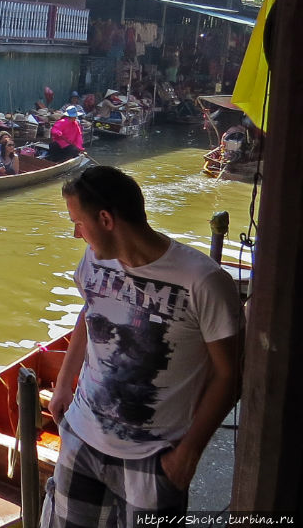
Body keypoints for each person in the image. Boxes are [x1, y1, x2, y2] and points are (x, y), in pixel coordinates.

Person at [42, 167, 243, 527]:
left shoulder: (204, 281)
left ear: (105, 219)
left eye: (78, 222)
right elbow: (91, 311)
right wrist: (62, 384)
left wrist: (187, 455)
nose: (76, 233)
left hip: (154, 457)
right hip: (82, 439)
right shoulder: (93, 260)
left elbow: (229, 375)